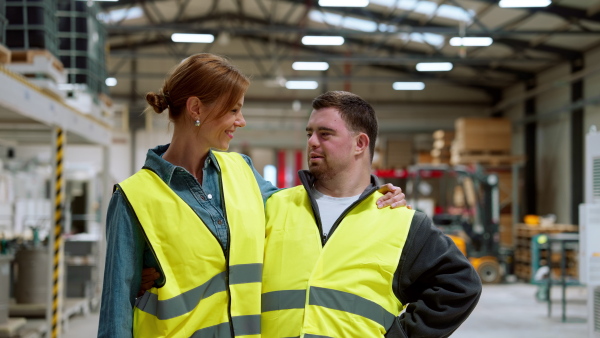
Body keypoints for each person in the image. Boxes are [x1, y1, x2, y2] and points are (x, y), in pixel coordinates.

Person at [97, 54, 406, 337]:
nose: (241, 121)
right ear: (196, 109)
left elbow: (302, 208)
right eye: (234, 110)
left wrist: (368, 194)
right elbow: (115, 317)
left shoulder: (241, 171)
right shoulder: (133, 199)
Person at [261, 91, 482, 338]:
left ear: (360, 144)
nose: (312, 141)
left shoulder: (399, 221)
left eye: (325, 134)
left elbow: (461, 285)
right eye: (309, 133)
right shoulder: (274, 206)